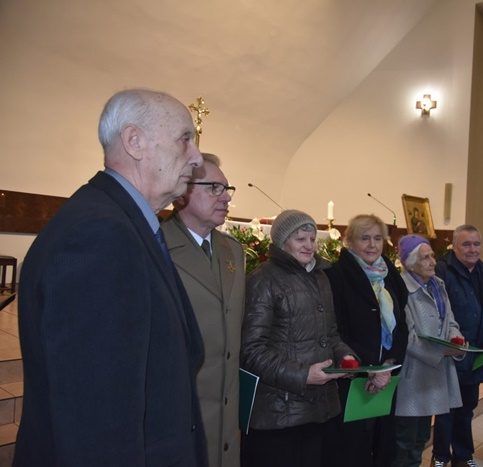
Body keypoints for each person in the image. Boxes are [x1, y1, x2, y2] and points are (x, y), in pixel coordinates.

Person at [14, 89, 207, 466]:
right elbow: (97, 423)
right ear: (135, 141)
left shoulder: (119, 223)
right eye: (185, 139)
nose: (197, 157)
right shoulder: (101, 235)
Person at [240, 209, 356, 467]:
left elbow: (330, 334)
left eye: (312, 239)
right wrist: (303, 375)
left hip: (318, 408)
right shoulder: (263, 279)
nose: (309, 245)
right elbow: (251, 350)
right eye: (300, 239)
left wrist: (346, 357)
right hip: (279, 412)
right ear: (282, 242)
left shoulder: (320, 277)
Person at [161, 153, 245, 467]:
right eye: (214, 188)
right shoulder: (158, 246)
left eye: (227, 189)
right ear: (183, 192)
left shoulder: (232, 249)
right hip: (182, 410)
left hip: (227, 413)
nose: (226, 197)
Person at [323, 214, 409, 467]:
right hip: (352, 376)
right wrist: (371, 367)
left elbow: (402, 324)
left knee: (382, 447)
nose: (372, 245)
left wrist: (389, 363)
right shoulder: (336, 276)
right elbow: (335, 330)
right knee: (352, 451)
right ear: (349, 242)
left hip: (387, 375)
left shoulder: (389, 275)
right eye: (365, 238)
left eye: (377, 238)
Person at [431, 225, 483, 467]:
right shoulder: (441, 270)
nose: (473, 249)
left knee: (467, 408)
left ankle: (463, 456)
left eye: (476, 244)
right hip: (450, 354)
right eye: (466, 244)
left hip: (476, 355)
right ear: (454, 245)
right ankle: (440, 457)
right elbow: (435, 312)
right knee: (446, 409)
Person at [394, 235, 464, 467]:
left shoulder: (437, 285)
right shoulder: (401, 288)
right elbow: (407, 337)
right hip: (412, 374)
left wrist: (456, 339)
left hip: (434, 375)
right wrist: (441, 352)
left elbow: (450, 320)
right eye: (426, 258)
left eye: (432, 256)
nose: (433, 261)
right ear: (411, 263)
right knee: (404, 439)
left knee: (422, 437)